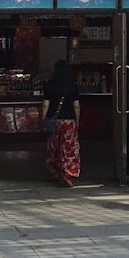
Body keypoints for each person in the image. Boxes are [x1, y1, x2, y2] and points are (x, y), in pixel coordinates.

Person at [43, 58, 82, 187]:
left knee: (55, 147)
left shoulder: (50, 85)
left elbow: (45, 104)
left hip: (54, 121)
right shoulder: (72, 86)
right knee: (68, 148)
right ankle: (67, 173)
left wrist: (44, 119)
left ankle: (56, 172)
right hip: (69, 121)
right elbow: (76, 106)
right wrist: (77, 121)